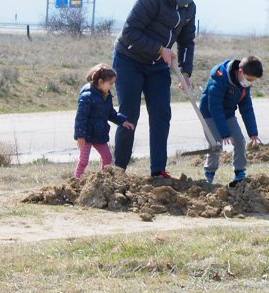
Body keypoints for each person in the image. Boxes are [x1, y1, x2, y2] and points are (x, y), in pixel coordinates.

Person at [112, 0, 197, 178]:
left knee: (161, 114)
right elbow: (129, 32)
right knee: (129, 115)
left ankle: (158, 171)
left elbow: (187, 41)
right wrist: (159, 49)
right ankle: (118, 170)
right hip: (129, 60)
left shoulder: (189, 7)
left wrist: (186, 73)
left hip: (158, 67)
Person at [199, 56, 262, 186]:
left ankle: (239, 173)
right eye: (249, 79)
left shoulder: (244, 83)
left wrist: (253, 132)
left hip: (227, 112)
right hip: (209, 112)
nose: (249, 83)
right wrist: (224, 133)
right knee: (216, 144)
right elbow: (214, 107)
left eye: (253, 81)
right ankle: (209, 176)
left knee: (239, 140)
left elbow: (246, 108)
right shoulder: (220, 78)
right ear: (240, 71)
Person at [74, 64, 135, 178]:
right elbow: (80, 118)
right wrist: (80, 136)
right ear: (101, 82)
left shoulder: (106, 95)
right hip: (86, 136)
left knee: (107, 159)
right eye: (110, 83)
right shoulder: (87, 96)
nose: (111, 86)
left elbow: (110, 113)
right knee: (83, 161)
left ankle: (103, 181)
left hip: (99, 134)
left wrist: (122, 121)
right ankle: (76, 182)